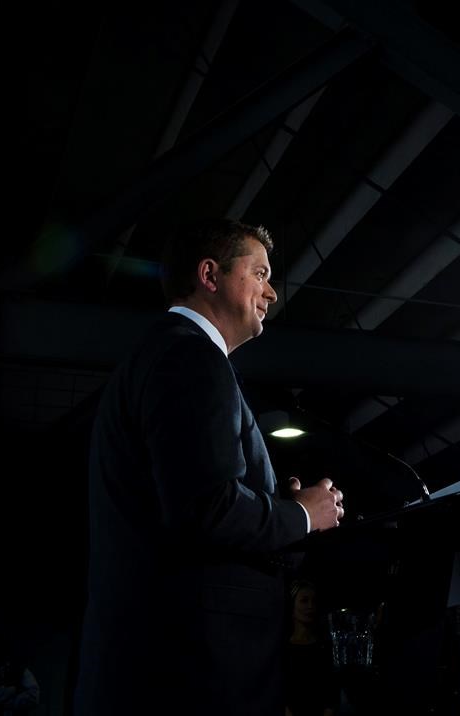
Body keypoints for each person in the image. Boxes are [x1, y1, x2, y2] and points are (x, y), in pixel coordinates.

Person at [74, 219, 345, 716]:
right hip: (191, 671)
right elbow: (207, 506)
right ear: (209, 274)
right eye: (259, 273)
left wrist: (274, 511)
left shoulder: (166, 354)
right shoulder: (190, 357)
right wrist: (303, 515)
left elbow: (191, 502)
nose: (271, 293)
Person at [284, 581, 340, 716]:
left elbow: (332, 691)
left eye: (314, 602)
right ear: (291, 606)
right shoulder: (282, 648)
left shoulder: (325, 646)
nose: (310, 606)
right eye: (304, 601)